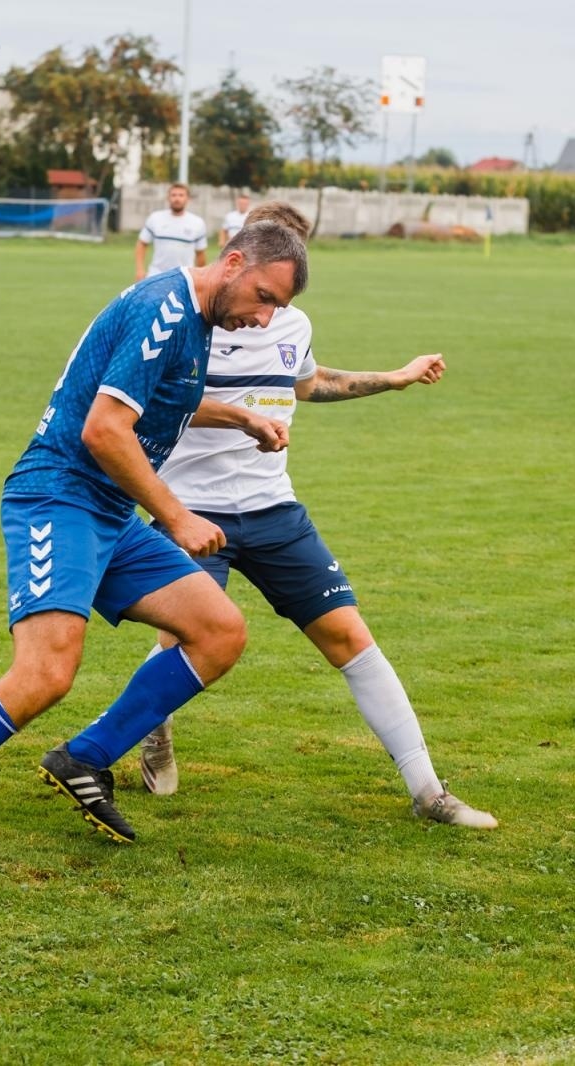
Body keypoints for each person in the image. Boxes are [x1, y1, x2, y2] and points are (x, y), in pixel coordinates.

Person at [0, 221, 310, 862]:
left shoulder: (198, 322)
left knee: (219, 631)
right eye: (264, 297)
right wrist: (178, 517)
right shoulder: (163, 308)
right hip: (58, 498)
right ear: (233, 262)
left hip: (108, 512)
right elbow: (105, 429)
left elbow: (165, 399)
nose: (265, 319)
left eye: (279, 308)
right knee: (46, 672)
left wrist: (241, 415)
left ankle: (85, 758)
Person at [138, 201, 497, 829]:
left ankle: (429, 792)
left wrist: (395, 377)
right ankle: (146, 734)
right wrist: (243, 417)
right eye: (268, 285)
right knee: (183, 644)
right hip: (191, 512)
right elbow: (143, 402)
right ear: (239, 251)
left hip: (275, 511)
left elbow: (306, 383)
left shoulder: (291, 324)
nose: (271, 305)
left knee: (349, 637)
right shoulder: (177, 315)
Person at [135, 182, 208, 280]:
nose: (177, 199)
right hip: (156, 276)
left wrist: (200, 277)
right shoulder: (155, 218)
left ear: (188, 199)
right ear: (168, 198)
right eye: (173, 195)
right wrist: (140, 269)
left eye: (181, 195)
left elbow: (201, 255)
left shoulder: (197, 223)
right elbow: (142, 244)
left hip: (184, 279)